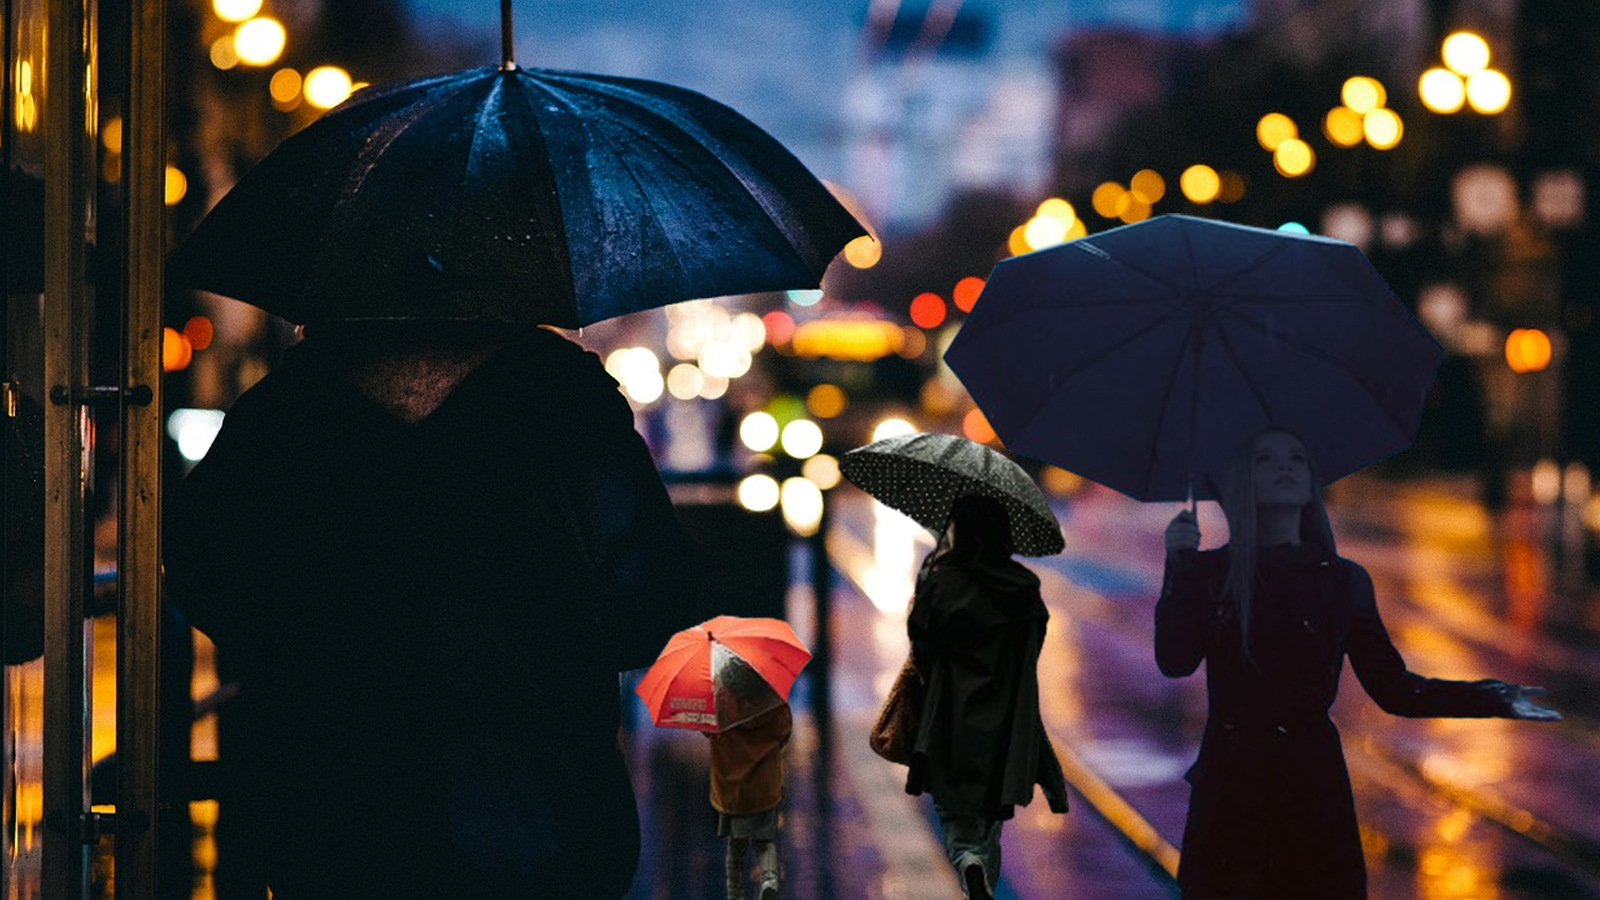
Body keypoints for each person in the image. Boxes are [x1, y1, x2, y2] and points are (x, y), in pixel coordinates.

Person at [164, 320, 704, 899]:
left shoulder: (293, 401)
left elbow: (204, 567)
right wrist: (557, 649)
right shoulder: (558, 392)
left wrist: (305, 649)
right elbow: (652, 587)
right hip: (540, 805)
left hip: (337, 812)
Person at [1157, 428, 1561, 900]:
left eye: (1296, 458)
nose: (1286, 466)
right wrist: (1179, 565)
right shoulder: (1211, 575)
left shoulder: (1343, 582)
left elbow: (1396, 690)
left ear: (1311, 484)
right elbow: (1175, 660)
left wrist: (1495, 697)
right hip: (1231, 795)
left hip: (1311, 795)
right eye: (1266, 460)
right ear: (1243, 483)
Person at [905, 494, 1070, 900]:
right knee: (990, 817)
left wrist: (927, 582)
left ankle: (969, 863)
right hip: (1004, 719)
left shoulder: (944, 582)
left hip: (951, 714)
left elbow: (921, 641)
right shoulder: (1023, 587)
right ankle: (981, 876)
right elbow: (1035, 642)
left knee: (957, 817)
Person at [705, 695, 792, 900]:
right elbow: (784, 732)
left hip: (732, 788)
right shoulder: (770, 696)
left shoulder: (721, 699)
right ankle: (769, 879)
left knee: (735, 847)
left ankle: (735, 893)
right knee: (764, 842)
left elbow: (709, 730)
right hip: (764, 785)